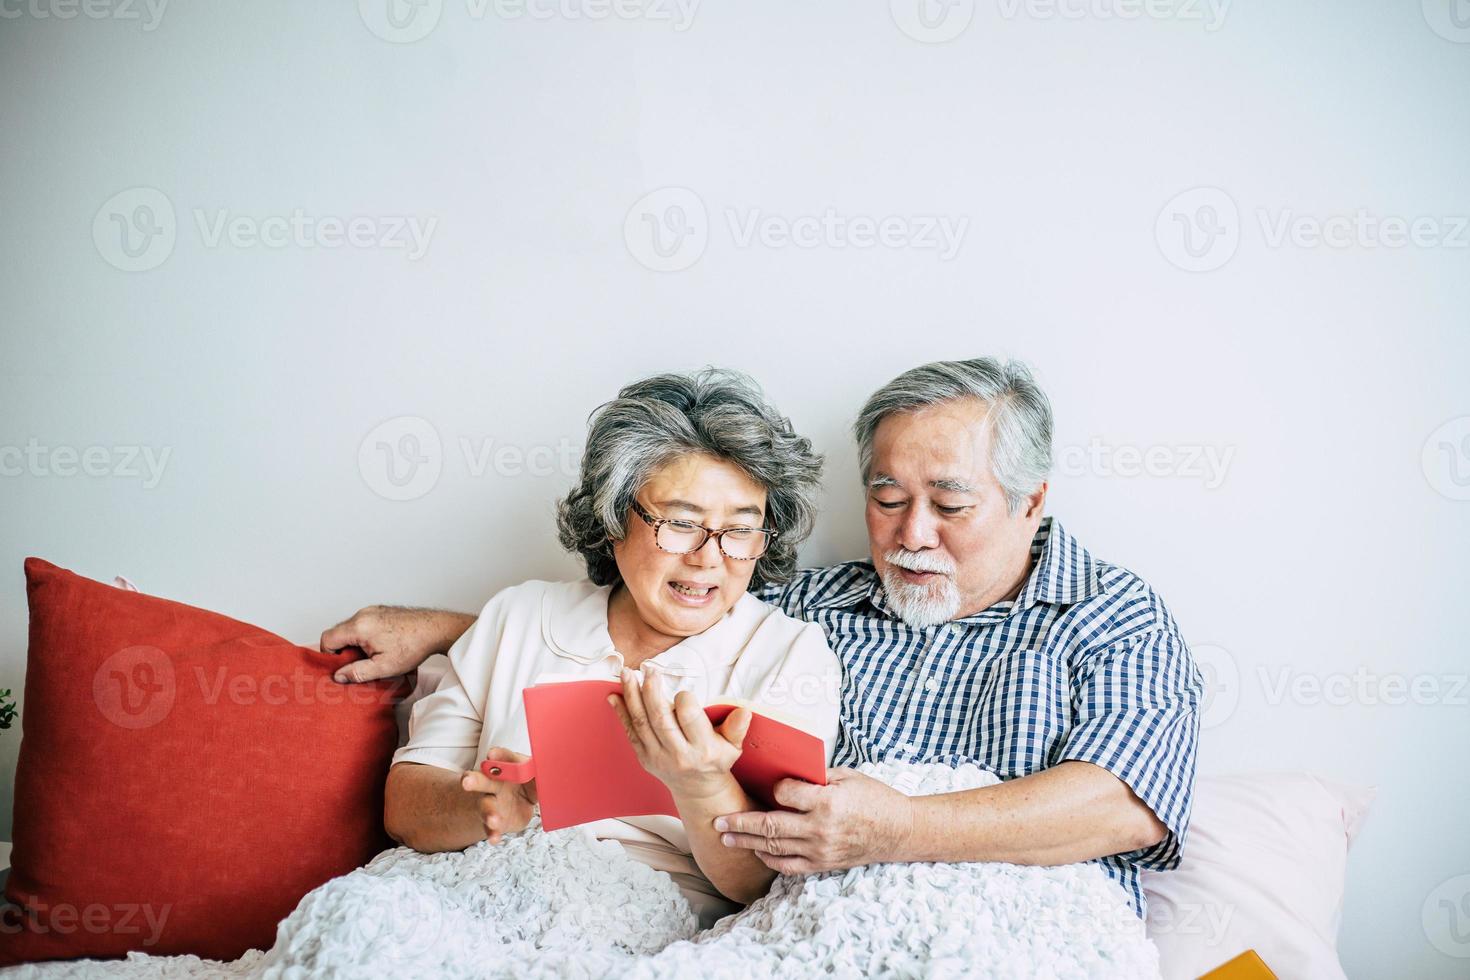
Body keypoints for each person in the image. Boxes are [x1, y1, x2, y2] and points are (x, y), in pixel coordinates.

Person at [327, 357, 1201, 917]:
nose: (912, 533)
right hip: (811, 933)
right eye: (887, 498)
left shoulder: (1111, 617)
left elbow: (1124, 805)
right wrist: (452, 634)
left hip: (1016, 927)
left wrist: (896, 830)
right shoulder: (818, 605)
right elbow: (655, 615)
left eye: (951, 502)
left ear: (1032, 500)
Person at [382, 368, 840, 928]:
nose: (708, 557)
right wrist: (490, 807)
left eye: (741, 529)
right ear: (613, 518)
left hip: (641, 923)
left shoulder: (790, 653)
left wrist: (701, 785)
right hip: (469, 894)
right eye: (680, 523)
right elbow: (404, 806)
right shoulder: (520, 615)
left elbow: (762, 884)